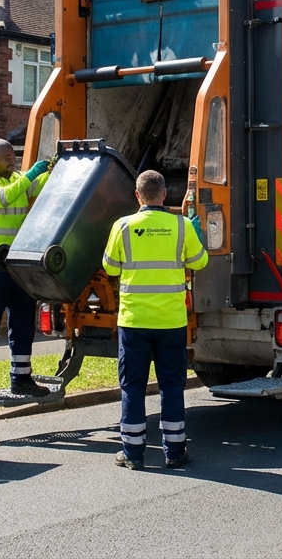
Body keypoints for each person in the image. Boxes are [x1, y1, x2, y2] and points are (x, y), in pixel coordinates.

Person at [102, 170, 207, 469]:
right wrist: (195, 234)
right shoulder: (181, 225)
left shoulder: (122, 226)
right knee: (171, 386)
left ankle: (133, 454)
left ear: (137, 195)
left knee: (132, 387)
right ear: (164, 194)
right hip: (171, 322)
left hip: (134, 322)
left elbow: (109, 267)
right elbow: (200, 261)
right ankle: (174, 452)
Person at [0, 139, 51, 402]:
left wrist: (51, 169)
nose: (10, 161)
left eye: (13, 156)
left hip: (19, 263)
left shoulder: (17, 177)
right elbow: (3, 198)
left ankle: (22, 379)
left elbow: (43, 186)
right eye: (5, 157)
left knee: (23, 322)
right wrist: (32, 175)